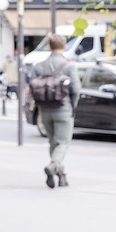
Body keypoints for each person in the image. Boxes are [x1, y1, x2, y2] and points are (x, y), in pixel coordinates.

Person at [33, 34, 80, 188]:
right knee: (63, 143)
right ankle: (54, 166)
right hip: (63, 109)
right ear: (64, 46)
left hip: (44, 110)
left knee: (53, 142)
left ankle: (61, 176)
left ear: (49, 46)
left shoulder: (39, 66)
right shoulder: (69, 66)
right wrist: (72, 106)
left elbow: (31, 85)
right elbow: (76, 89)